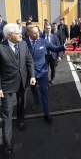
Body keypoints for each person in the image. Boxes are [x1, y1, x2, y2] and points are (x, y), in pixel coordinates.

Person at [25, 25, 75, 122]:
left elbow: (55, 48)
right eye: (34, 33)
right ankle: (36, 101)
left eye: (38, 32)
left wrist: (66, 45)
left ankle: (46, 114)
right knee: (33, 89)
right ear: (28, 34)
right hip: (31, 73)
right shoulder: (24, 43)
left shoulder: (43, 41)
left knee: (44, 92)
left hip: (43, 72)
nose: (37, 34)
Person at [0, 23, 36, 156]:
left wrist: (32, 75)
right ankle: (7, 144)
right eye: (18, 33)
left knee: (22, 104)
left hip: (22, 82)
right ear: (9, 36)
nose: (21, 34)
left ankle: (21, 120)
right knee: (7, 114)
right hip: (7, 85)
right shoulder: (1, 48)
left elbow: (29, 61)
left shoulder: (23, 44)